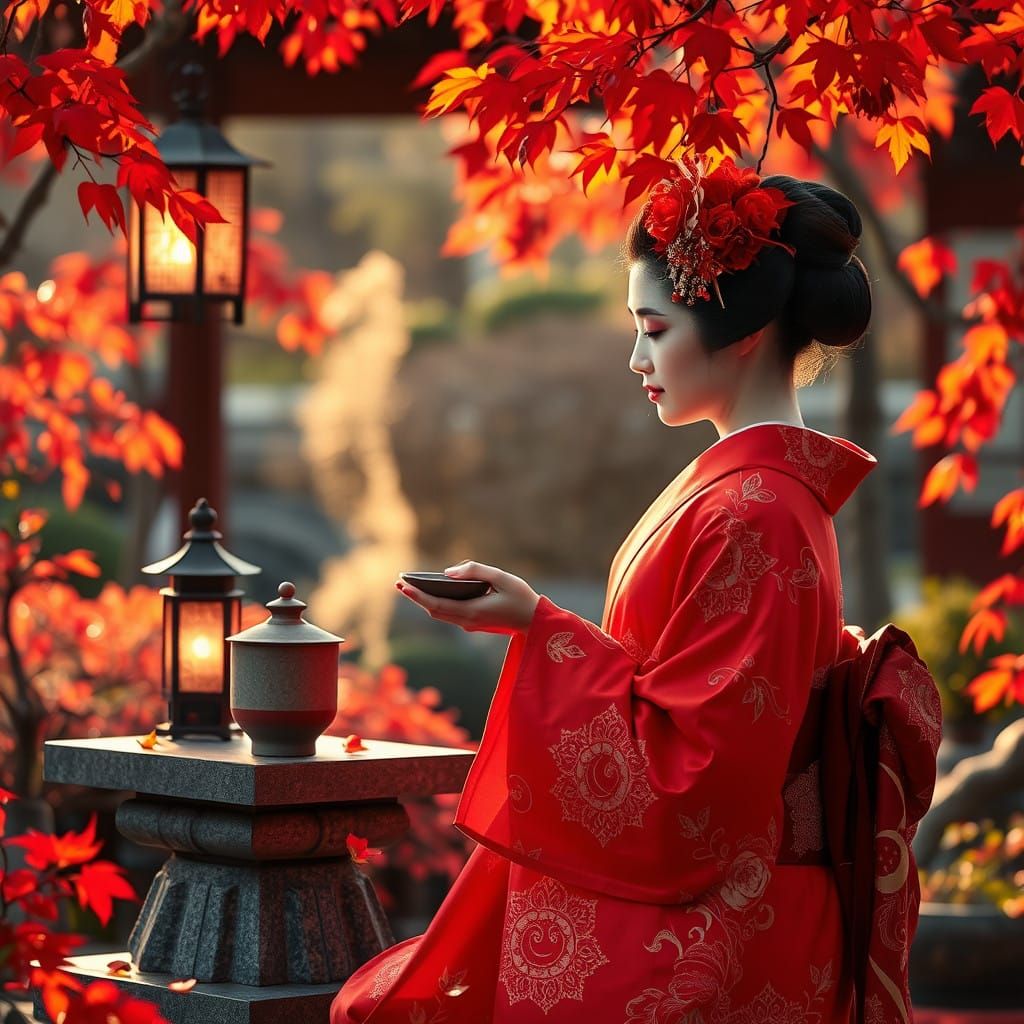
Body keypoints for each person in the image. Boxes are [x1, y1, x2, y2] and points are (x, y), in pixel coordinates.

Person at [330, 156, 930, 1024]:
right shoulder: (751, 498)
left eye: (654, 327)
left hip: (723, 921)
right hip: (729, 894)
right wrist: (537, 622)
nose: (636, 355)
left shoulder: (757, 513)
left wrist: (539, 627)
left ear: (745, 331)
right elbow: (685, 696)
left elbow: (700, 765)